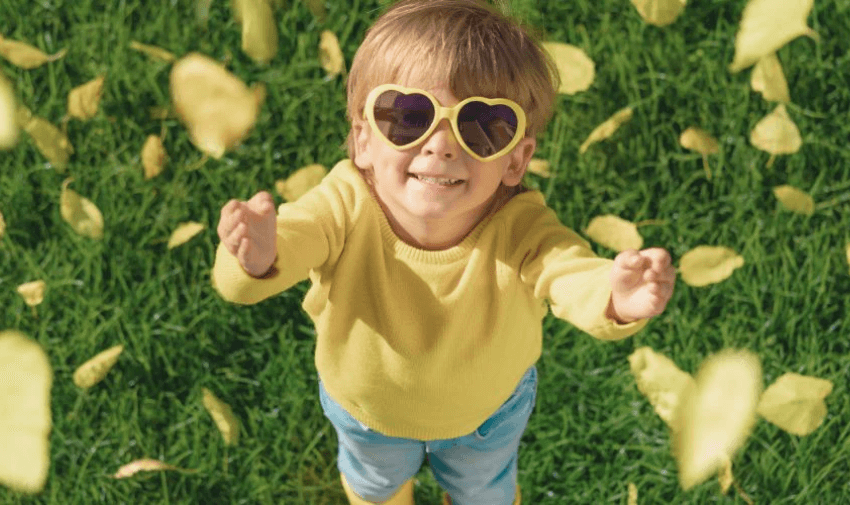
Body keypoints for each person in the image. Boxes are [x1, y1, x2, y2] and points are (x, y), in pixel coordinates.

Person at [212, 1, 676, 503]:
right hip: (369, 416)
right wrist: (256, 255)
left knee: (485, 492)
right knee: (375, 487)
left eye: (482, 126)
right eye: (408, 116)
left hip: (488, 416)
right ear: (363, 139)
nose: (440, 144)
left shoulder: (520, 227)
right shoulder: (342, 205)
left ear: (516, 160)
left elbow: (567, 271)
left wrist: (614, 296)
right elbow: (281, 252)